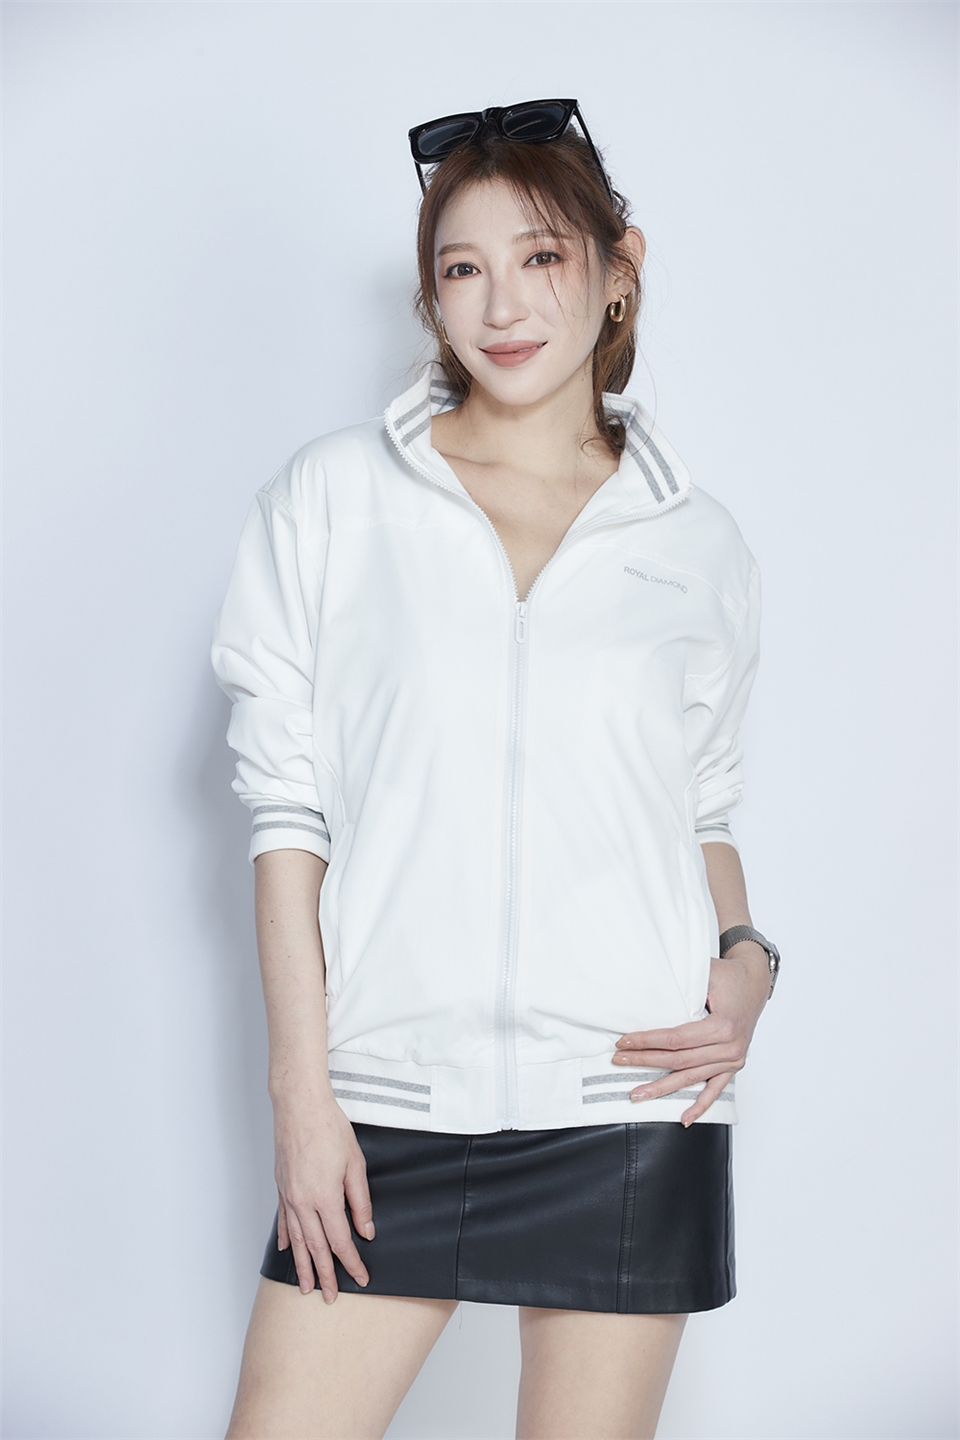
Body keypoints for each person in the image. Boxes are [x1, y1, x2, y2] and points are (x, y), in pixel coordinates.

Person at [211, 98, 780, 1440]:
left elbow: (699, 807)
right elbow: (287, 814)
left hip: (631, 1102)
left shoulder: (697, 543)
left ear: (618, 269)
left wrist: (748, 960)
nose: (503, 304)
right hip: (387, 1098)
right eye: (462, 267)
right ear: (431, 296)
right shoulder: (334, 499)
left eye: (541, 257)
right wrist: (303, 1095)